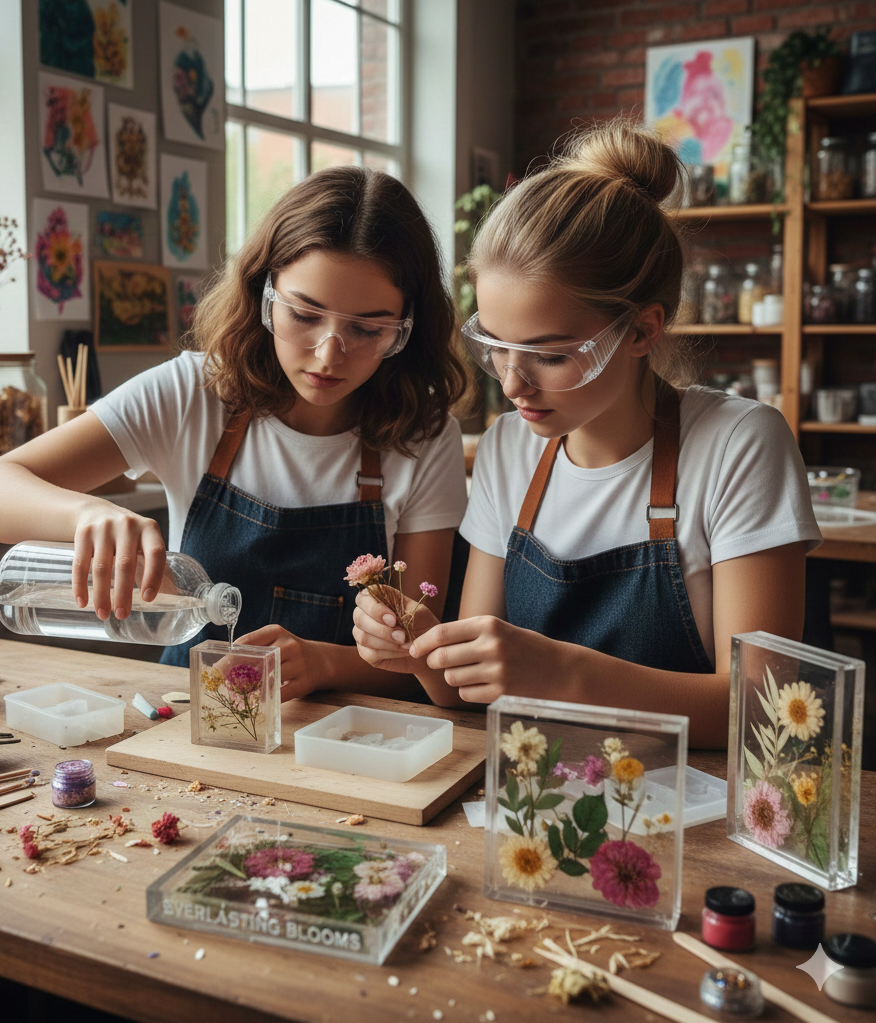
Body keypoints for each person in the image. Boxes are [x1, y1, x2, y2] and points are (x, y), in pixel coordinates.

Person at [351, 120, 822, 747]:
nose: (512, 383)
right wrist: (415, 649)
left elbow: (764, 711)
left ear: (642, 330)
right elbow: (467, 693)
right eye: (496, 345)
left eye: (548, 355)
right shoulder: (508, 448)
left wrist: (562, 673)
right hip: (534, 789)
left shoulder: (738, 445)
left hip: (690, 797)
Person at [0, 166, 470, 699]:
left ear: (407, 328)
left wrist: (325, 664)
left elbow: (417, 656)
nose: (328, 354)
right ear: (264, 294)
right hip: (187, 713)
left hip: (345, 730)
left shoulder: (424, 437)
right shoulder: (194, 393)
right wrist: (86, 513)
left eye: (366, 328)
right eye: (304, 314)